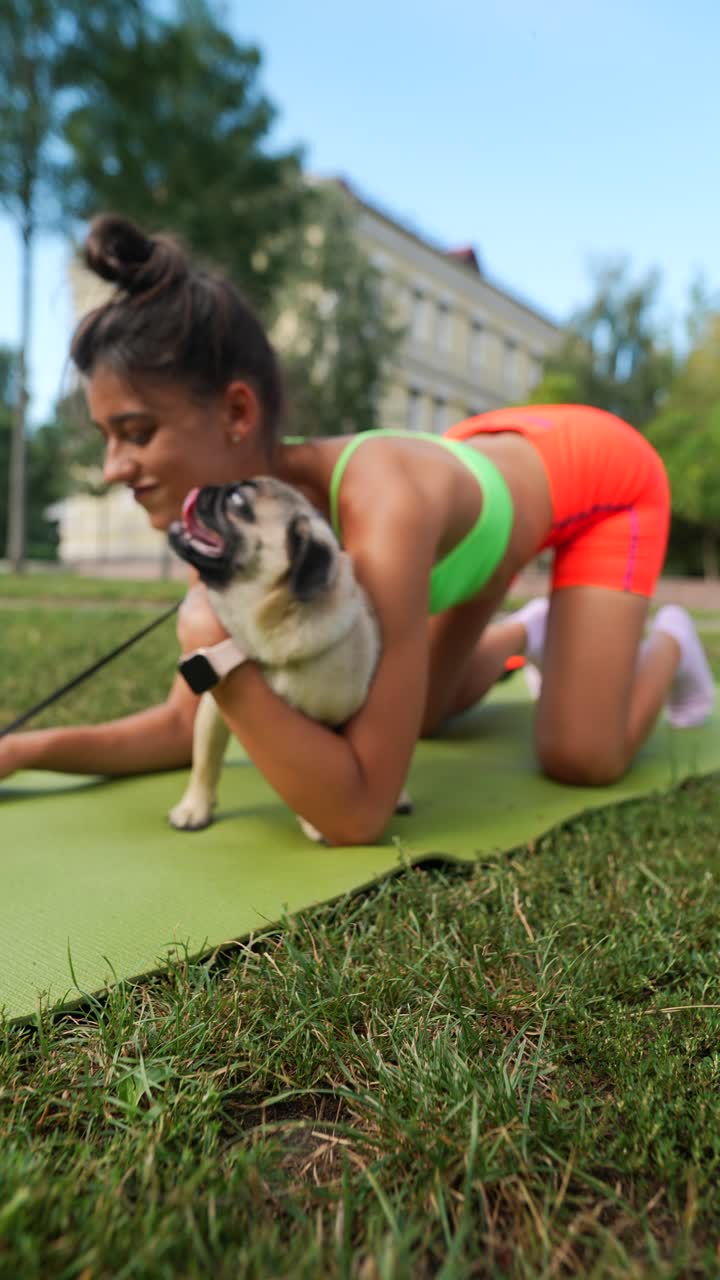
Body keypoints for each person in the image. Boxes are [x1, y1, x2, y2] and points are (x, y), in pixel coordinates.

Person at [0, 214, 714, 845]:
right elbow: (183, 724)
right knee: (420, 720)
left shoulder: (383, 513)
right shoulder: (236, 537)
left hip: (598, 481)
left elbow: (362, 813)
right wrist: (21, 751)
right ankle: (534, 630)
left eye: (135, 434)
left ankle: (669, 643)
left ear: (239, 413)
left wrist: (212, 649)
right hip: (482, 494)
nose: (113, 468)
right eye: (106, 438)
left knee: (581, 756)